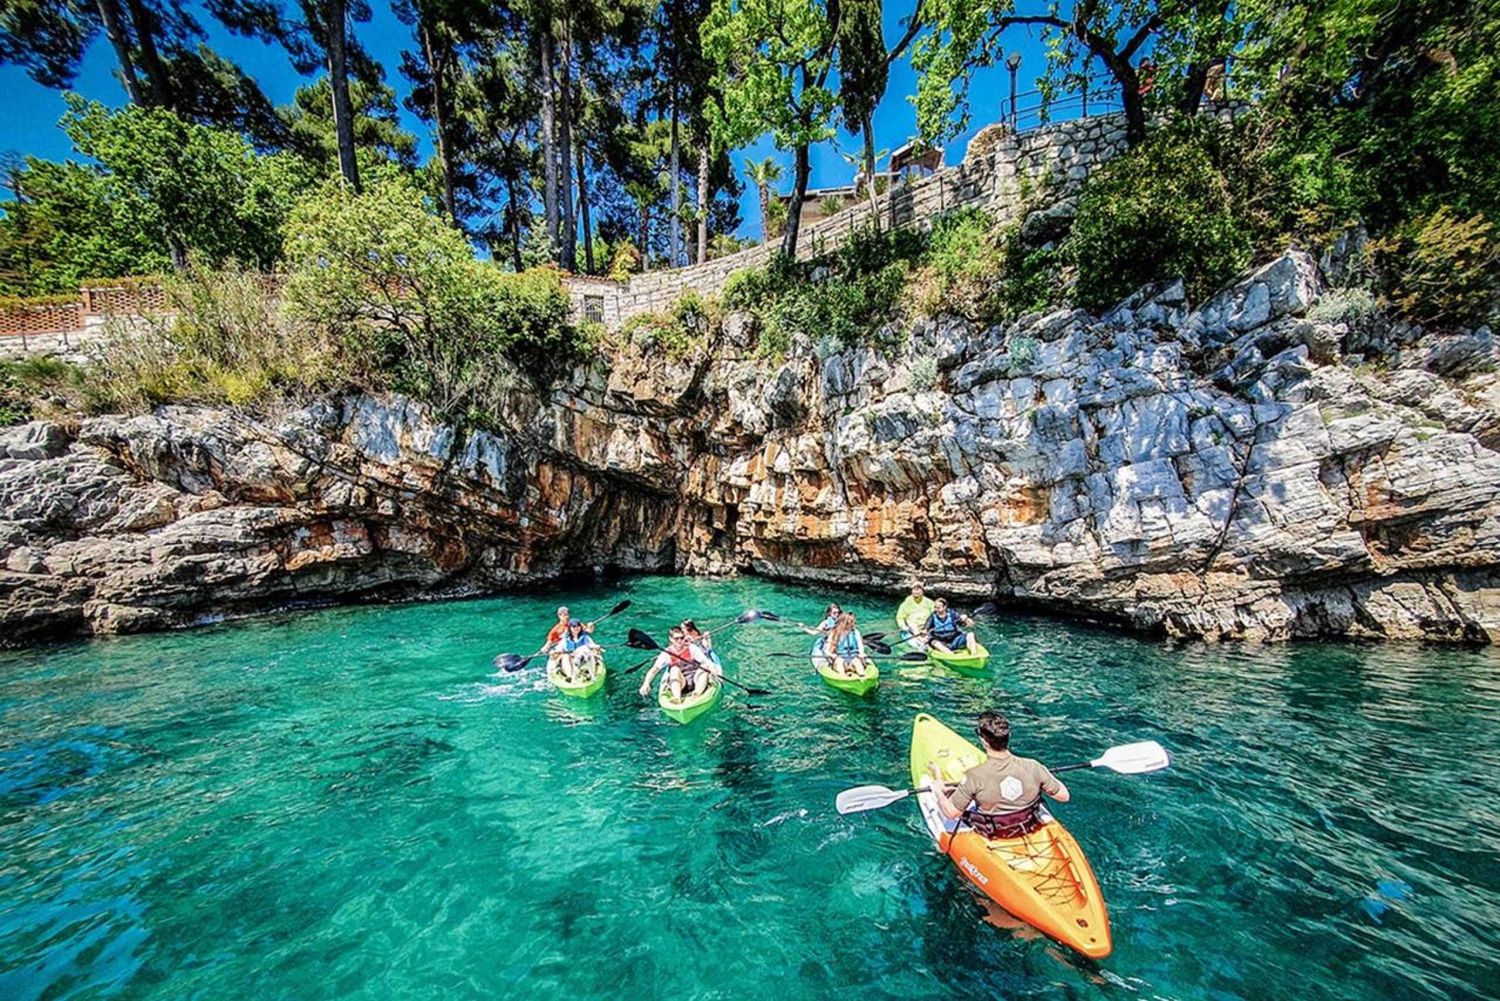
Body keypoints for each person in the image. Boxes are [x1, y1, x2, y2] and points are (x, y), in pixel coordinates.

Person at [927, 712, 1070, 838]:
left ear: (983, 740)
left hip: (994, 834)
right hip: (1026, 826)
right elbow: (1064, 796)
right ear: (1009, 736)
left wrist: (938, 789)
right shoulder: (1033, 766)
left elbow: (951, 813)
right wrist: (1044, 772)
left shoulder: (973, 776)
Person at [639, 626, 720, 702]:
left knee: (705, 666)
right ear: (671, 639)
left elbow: (706, 661)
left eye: (681, 638)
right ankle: (677, 698)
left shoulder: (692, 648)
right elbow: (654, 669)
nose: (679, 641)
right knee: (674, 669)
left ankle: (697, 694)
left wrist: (713, 669)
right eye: (676, 638)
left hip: (696, 679)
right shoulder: (666, 653)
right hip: (681, 682)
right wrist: (646, 683)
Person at [820, 611, 873, 678]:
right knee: (840, 662)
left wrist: (861, 653)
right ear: (844, 622)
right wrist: (832, 655)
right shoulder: (834, 633)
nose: (852, 624)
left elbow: (860, 646)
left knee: (857, 662)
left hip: (854, 658)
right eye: (850, 622)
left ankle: (863, 677)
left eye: (853, 622)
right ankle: (843, 677)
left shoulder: (856, 632)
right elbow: (827, 651)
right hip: (840, 658)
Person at [551, 618, 600, 683]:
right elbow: (558, 650)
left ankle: (591, 674)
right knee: (565, 656)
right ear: (570, 628)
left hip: (583, 659)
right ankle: (570, 676)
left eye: (578, 626)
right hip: (572, 660)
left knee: (589, 652)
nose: (576, 628)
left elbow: (592, 645)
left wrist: (596, 647)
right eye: (574, 626)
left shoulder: (585, 638)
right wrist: (554, 653)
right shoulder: (565, 640)